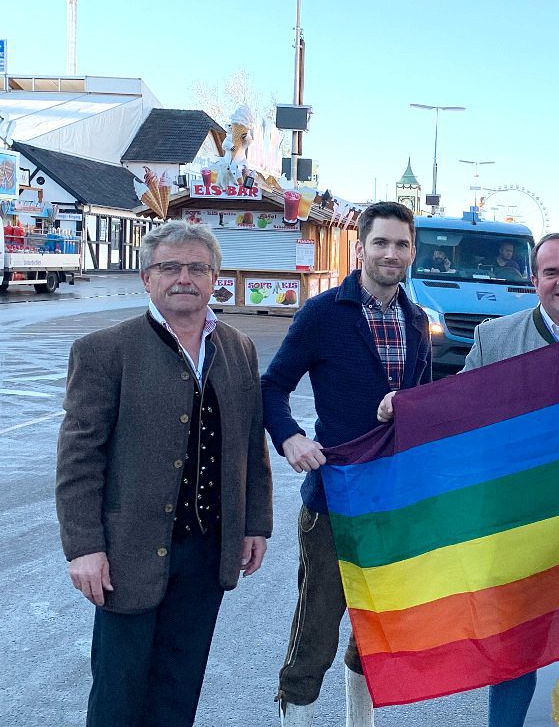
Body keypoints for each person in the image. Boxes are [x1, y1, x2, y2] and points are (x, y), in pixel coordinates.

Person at [55, 220, 273, 727]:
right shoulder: (106, 351)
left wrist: (255, 524)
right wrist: (84, 546)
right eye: (169, 267)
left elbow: (249, 441)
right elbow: (78, 458)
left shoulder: (237, 348)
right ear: (145, 278)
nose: (184, 278)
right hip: (128, 551)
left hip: (206, 549)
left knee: (179, 689)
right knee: (119, 692)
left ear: (215, 277)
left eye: (197, 268)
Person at [261, 201, 431, 727]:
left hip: (391, 500)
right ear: (360, 248)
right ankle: (297, 715)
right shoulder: (323, 314)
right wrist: (289, 438)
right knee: (317, 625)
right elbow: (272, 387)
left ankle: (363, 720)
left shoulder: (417, 320)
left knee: (376, 624)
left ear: (412, 253)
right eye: (380, 242)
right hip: (333, 498)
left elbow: (422, 403)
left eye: (401, 244)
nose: (390, 253)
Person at [461, 232, 559, 727]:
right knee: (516, 650)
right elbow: (460, 415)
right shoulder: (495, 338)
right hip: (520, 525)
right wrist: (402, 411)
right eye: (551, 272)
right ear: (534, 281)